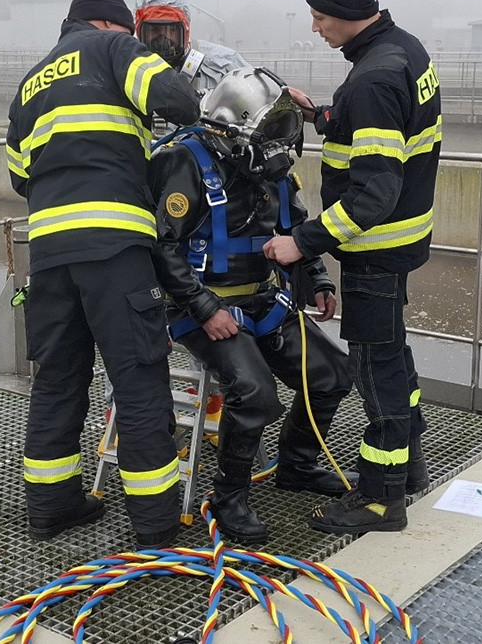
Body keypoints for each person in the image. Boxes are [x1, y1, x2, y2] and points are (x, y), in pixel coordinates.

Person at [6, 0, 199, 549]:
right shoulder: (114, 50)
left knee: (59, 379)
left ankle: (51, 504)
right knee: (138, 380)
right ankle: (157, 525)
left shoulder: (28, 84)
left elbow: (20, 175)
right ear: (114, 25)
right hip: (114, 247)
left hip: (48, 252)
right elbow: (177, 100)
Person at [263, 0, 442, 535]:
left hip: (375, 251)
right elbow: (378, 133)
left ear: (343, 15)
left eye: (319, 17)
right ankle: (408, 469)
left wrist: (301, 242)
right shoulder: (402, 51)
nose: (315, 27)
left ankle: (378, 499)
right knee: (396, 356)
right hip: (405, 242)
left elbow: (374, 194)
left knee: (375, 368)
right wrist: (320, 114)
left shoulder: (372, 79)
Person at [148, 66, 353, 544]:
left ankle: (297, 465)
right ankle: (228, 497)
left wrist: (317, 278)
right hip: (201, 307)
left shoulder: (271, 169)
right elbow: (161, 247)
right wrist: (203, 308)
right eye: (267, 136)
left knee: (333, 376)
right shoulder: (186, 163)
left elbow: (294, 227)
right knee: (256, 395)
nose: (277, 149)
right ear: (230, 130)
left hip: (266, 301)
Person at [133, 0, 250, 98]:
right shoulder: (126, 68)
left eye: (171, 30)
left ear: (186, 29)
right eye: (154, 29)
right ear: (139, 30)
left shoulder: (223, 66)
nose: (163, 38)